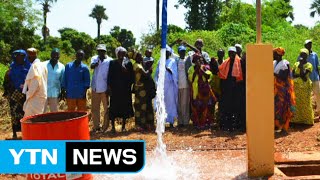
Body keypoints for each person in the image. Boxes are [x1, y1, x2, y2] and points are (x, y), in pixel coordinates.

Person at [3, 50, 31, 138]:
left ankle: (26, 132)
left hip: (25, 95)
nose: (20, 58)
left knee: (25, 113)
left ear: (25, 57)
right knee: (14, 114)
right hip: (14, 96)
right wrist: (8, 91)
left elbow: (32, 81)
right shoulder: (11, 70)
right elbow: (6, 83)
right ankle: (15, 132)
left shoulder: (29, 69)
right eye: (18, 57)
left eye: (22, 56)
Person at [108, 47, 134, 133]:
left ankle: (123, 127)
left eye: (123, 53)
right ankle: (113, 127)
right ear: (117, 54)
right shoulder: (112, 63)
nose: (121, 55)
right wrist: (109, 87)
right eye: (120, 53)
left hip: (125, 90)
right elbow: (109, 76)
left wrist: (126, 71)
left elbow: (132, 77)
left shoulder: (128, 63)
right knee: (113, 108)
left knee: (124, 108)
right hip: (115, 90)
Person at [218, 47, 244, 131]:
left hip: (237, 89)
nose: (231, 54)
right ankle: (227, 125)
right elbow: (221, 73)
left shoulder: (240, 62)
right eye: (230, 53)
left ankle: (237, 125)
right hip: (228, 89)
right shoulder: (226, 62)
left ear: (235, 53)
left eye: (233, 53)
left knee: (237, 108)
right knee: (228, 107)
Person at [188, 53, 217, 129]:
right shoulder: (191, 68)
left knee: (205, 106)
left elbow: (208, 76)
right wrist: (196, 70)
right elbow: (191, 79)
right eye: (197, 59)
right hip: (196, 90)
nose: (199, 61)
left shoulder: (205, 67)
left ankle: (205, 123)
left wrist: (201, 69)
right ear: (194, 61)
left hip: (204, 90)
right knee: (196, 106)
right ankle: (197, 123)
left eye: (200, 59)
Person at [155, 46, 178, 128]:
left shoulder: (172, 61)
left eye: (168, 52)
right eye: (165, 52)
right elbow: (157, 73)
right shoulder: (159, 61)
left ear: (170, 53)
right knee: (162, 103)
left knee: (170, 104)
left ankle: (171, 122)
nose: (167, 53)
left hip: (170, 86)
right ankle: (161, 121)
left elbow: (175, 73)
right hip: (162, 86)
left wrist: (169, 70)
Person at [273, 47, 295, 133]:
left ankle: (283, 126)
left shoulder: (285, 63)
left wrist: (273, 73)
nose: (273, 55)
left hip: (282, 90)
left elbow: (284, 76)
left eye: (274, 54)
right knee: (276, 107)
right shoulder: (274, 63)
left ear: (279, 55)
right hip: (274, 90)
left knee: (283, 107)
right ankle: (276, 125)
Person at [90, 44, 112, 132]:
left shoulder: (110, 60)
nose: (100, 53)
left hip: (105, 88)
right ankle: (96, 126)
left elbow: (111, 75)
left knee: (106, 108)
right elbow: (91, 66)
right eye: (99, 51)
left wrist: (109, 88)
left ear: (105, 51)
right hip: (95, 87)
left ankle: (105, 127)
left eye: (102, 51)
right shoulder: (94, 58)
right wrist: (95, 64)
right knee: (95, 108)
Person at [132, 51, 155, 131]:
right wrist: (150, 70)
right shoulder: (137, 65)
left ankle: (146, 124)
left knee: (144, 107)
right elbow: (145, 74)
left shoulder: (140, 64)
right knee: (140, 107)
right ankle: (140, 125)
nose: (142, 56)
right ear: (136, 57)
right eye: (140, 55)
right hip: (139, 89)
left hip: (143, 89)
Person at [22, 48, 48, 117]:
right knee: (38, 118)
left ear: (30, 56)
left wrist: (28, 95)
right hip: (41, 96)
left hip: (35, 97)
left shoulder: (35, 66)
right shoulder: (43, 65)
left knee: (31, 119)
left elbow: (35, 84)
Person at [291, 48, 314, 125]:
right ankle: (296, 120)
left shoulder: (309, 65)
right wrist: (299, 74)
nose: (302, 56)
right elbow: (293, 75)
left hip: (305, 87)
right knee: (296, 103)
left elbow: (303, 76)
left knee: (305, 103)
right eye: (301, 54)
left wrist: (301, 67)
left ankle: (307, 121)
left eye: (304, 55)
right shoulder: (296, 64)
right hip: (296, 86)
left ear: (307, 56)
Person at [44, 48, 65, 112]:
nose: (55, 56)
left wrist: (62, 92)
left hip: (55, 93)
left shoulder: (62, 66)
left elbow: (62, 80)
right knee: (42, 112)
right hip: (43, 92)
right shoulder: (44, 65)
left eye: (57, 55)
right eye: (54, 54)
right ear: (51, 55)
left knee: (54, 112)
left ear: (59, 56)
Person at [175, 45, 192, 127]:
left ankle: (185, 122)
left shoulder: (188, 59)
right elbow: (166, 48)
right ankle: (180, 122)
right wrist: (175, 42)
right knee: (179, 104)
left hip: (185, 85)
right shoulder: (176, 59)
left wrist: (188, 44)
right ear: (178, 52)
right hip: (177, 86)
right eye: (181, 51)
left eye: (184, 51)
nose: (182, 53)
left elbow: (197, 51)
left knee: (185, 104)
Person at [304, 40, 320, 117]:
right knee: (307, 95)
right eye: (308, 44)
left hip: (315, 77)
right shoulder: (303, 55)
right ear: (305, 46)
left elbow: (317, 66)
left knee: (318, 94)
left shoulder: (315, 55)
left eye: (310, 44)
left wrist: (318, 76)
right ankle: (309, 112)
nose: (309, 46)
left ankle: (318, 110)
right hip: (306, 79)